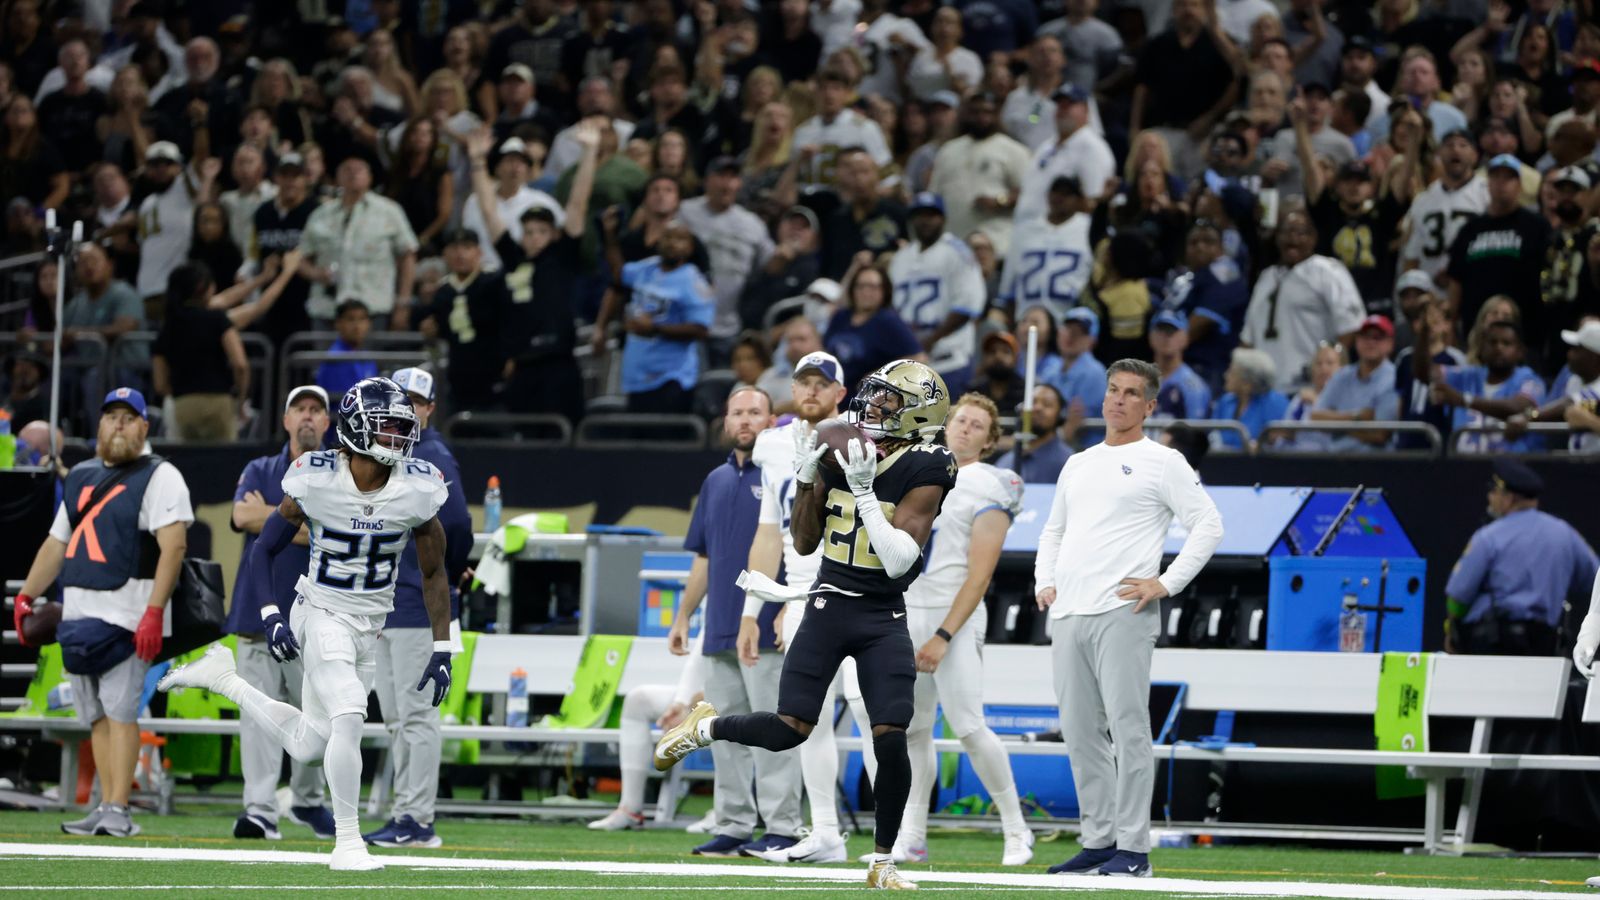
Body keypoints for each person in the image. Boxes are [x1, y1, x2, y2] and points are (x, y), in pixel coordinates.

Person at [655, 360, 960, 892]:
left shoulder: (929, 464)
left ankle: (884, 862)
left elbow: (898, 561)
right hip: (827, 604)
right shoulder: (840, 443)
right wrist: (805, 482)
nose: (873, 407)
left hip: (882, 612)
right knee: (787, 730)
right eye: (874, 395)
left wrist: (864, 494)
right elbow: (802, 542)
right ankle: (704, 728)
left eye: (889, 401)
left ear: (917, 414)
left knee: (892, 735)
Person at [157, 377, 454, 872]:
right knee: (352, 711)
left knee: (312, 746)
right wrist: (272, 614)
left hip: (369, 625)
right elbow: (263, 549)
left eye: (404, 428)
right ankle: (348, 842)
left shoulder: (417, 487)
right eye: (388, 428)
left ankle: (224, 679)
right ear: (358, 428)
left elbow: (433, 571)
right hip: (319, 610)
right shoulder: (316, 477)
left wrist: (443, 647)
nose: (399, 438)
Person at [1034, 360, 1223, 878]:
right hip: (1069, 611)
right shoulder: (1078, 462)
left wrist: (1165, 582)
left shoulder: (1163, 462)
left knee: (1129, 729)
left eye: (1131, 393)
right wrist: (1043, 580)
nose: (1118, 400)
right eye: (1113, 390)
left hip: (1124, 610)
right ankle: (1098, 841)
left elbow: (1208, 523)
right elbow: (1053, 531)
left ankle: (1134, 849)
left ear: (1150, 406)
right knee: (1079, 732)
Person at [15, 388, 193, 838]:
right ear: (99, 425)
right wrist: (26, 597)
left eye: (128, 417)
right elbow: (58, 543)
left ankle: (119, 807)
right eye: (110, 416)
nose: (118, 424)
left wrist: (154, 612)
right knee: (95, 716)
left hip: (129, 616)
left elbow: (174, 546)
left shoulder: (161, 475)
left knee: (121, 714)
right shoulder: (81, 475)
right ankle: (104, 804)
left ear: (144, 427)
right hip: (77, 615)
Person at [738, 351, 875, 865]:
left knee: (871, 715)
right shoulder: (772, 446)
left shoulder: (864, 439)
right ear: (793, 390)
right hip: (799, 597)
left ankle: (895, 837)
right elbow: (768, 531)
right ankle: (826, 834)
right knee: (807, 722)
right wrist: (753, 609)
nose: (812, 391)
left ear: (841, 392)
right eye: (804, 382)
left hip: (857, 590)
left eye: (823, 383)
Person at [662, 386, 802, 857]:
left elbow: (800, 550)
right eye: (737, 413)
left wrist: (786, 605)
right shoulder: (714, 481)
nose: (746, 420)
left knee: (774, 731)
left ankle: (783, 826)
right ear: (725, 422)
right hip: (719, 625)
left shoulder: (787, 476)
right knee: (722, 733)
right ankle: (735, 824)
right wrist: (684, 615)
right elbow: (704, 556)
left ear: (771, 420)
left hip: (764, 628)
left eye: (755, 412)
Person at [895, 393, 1033, 865]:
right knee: (913, 729)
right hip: (908, 605)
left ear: (990, 441)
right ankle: (912, 834)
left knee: (969, 724)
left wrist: (944, 635)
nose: (965, 429)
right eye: (960, 421)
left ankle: (1016, 830)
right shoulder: (915, 467)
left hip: (954, 610)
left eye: (977, 426)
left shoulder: (990, 484)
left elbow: (980, 574)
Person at [363, 369, 474, 850]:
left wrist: (444, 574)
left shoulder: (430, 455)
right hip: (390, 604)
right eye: (400, 400)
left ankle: (418, 818)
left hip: (416, 605)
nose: (407, 409)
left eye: (416, 401)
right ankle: (405, 812)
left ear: (429, 409)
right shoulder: (393, 454)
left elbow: (458, 526)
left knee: (416, 716)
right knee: (396, 718)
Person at [225, 385, 335, 841]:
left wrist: (270, 519)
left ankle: (307, 801)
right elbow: (238, 516)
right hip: (257, 613)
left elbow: (335, 532)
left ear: (327, 422)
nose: (308, 417)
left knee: (319, 717)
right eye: (300, 410)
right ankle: (260, 809)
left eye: (316, 410)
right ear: (286, 420)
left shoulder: (339, 471)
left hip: (321, 615)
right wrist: (300, 523)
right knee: (259, 718)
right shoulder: (261, 468)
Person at [466, 122, 599, 425]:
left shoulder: (562, 257)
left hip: (558, 363)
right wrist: (476, 162)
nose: (535, 237)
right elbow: (489, 211)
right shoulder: (513, 260)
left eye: (542, 231)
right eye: (528, 231)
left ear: (553, 234)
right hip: (521, 366)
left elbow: (578, 203)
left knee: (563, 436)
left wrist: (590, 151)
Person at [1445, 459, 1598, 656]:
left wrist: (1452, 633)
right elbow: (1596, 582)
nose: (1490, 497)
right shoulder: (1565, 534)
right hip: (1544, 646)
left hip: (1492, 644)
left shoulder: (1489, 537)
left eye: (1494, 491)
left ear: (1509, 498)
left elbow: (1458, 596)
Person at [152, 255, 301, 441]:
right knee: (222, 462)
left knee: (185, 462)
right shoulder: (217, 320)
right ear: (203, 288)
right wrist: (287, 272)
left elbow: (159, 383)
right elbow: (240, 364)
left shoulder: (169, 324)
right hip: (219, 402)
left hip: (181, 404)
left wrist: (263, 277)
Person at [593, 222, 715, 414]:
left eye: (680, 239)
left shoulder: (693, 281)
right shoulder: (648, 268)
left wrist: (655, 328)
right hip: (637, 377)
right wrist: (610, 237)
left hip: (670, 378)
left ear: (690, 247)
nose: (672, 243)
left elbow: (701, 329)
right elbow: (619, 273)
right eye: (667, 237)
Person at [1240, 209, 1366, 393]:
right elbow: (1248, 338)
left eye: (1301, 232)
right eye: (1286, 232)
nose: (1293, 238)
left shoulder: (1328, 271)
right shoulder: (1266, 278)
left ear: (1313, 238)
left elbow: (1350, 326)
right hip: (1266, 390)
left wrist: (1328, 372)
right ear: (1277, 238)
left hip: (1308, 387)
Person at [297, 156, 419, 330]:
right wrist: (315, 273)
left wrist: (403, 302)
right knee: (326, 357)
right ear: (338, 178)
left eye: (359, 170)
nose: (353, 174)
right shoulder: (321, 214)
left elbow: (408, 255)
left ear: (370, 177)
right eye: (347, 170)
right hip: (327, 308)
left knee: (370, 358)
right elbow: (299, 258)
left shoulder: (389, 211)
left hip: (373, 308)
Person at [1443, 154, 1552, 334]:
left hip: (1525, 330)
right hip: (1476, 331)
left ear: (1519, 185)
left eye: (1508, 177)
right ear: (1488, 183)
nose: (1501, 183)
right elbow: (1456, 280)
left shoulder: (1536, 226)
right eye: (1496, 176)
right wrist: (1451, 324)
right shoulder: (1470, 229)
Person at [889, 193, 984, 396]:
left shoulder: (958, 252)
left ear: (943, 219)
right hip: (910, 365)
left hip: (949, 361)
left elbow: (965, 309)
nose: (925, 221)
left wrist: (927, 342)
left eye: (931, 215)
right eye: (919, 215)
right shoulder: (901, 258)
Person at [679, 156, 775, 348]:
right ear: (706, 181)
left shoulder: (752, 224)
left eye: (732, 177)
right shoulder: (684, 212)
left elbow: (770, 266)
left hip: (729, 327)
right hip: (684, 324)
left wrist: (789, 253)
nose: (727, 184)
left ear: (738, 184)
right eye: (721, 176)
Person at [1416, 319, 1545, 453]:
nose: (1498, 348)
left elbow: (1519, 408)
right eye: (1492, 342)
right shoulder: (1468, 375)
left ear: (1520, 351)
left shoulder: (1529, 379)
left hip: (1512, 467)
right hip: (1464, 467)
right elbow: (1425, 373)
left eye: (1506, 343)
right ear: (1482, 347)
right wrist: (1425, 333)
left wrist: (1464, 400)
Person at [928, 92, 1030, 255]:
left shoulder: (1014, 151)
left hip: (999, 245)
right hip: (954, 244)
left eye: (987, 112)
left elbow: (1030, 195)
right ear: (965, 114)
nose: (981, 117)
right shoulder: (948, 151)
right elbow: (934, 197)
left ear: (996, 115)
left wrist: (1000, 201)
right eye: (975, 112)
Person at [420, 229, 508, 412]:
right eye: (454, 248)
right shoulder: (442, 292)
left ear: (479, 252)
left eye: (467, 248)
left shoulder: (493, 284)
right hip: (458, 377)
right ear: (445, 254)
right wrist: (429, 332)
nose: (460, 254)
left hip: (494, 375)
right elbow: (435, 333)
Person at [1162, 220, 1250, 395]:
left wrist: (1165, 347)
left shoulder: (1226, 275)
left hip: (1209, 368)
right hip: (1181, 364)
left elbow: (1201, 322)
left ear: (1221, 248)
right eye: (1193, 243)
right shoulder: (1187, 279)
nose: (1200, 247)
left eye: (1208, 241)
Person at [1013, 87, 1115, 227]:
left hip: (1060, 234)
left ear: (1086, 110)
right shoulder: (1046, 146)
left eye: (1070, 105)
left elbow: (1094, 200)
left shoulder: (1092, 148)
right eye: (1060, 105)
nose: (1063, 109)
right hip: (1028, 229)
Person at [462, 135, 563, 272]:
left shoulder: (543, 202)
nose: (516, 167)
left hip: (525, 274)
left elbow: (561, 237)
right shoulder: (474, 202)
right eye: (509, 161)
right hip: (482, 274)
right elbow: (468, 240)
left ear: (528, 170)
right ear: (497, 168)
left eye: (522, 163)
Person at [999, 176, 1092, 322]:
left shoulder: (1089, 228)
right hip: (1027, 316)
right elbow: (1009, 283)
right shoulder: (1025, 230)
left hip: (1072, 321)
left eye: (1067, 194)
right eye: (1056, 192)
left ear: (1079, 200)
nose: (1060, 198)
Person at [825, 255, 923, 391]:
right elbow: (825, 349)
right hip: (834, 392)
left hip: (867, 401)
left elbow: (918, 358)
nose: (866, 292)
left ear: (884, 291)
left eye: (872, 287)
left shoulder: (888, 321)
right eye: (860, 286)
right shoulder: (841, 317)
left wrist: (881, 375)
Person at [1400, 130, 1488, 280]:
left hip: (1473, 285)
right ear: (1439, 155)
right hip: (1429, 291)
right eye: (1449, 145)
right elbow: (1411, 255)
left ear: (1475, 156)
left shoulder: (1487, 194)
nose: (1455, 149)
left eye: (1463, 145)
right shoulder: (1423, 199)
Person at [1308, 315, 1401, 452]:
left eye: (1377, 337)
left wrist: (1336, 423)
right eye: (1365, 337)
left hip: (1376, 463)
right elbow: (1316, 417)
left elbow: (1379, 434)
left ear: (1390, 343)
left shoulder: (1394, 378)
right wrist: (1358, 417)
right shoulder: (1342, 375)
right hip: (1336, 461)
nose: (1370, 342)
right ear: (1357, 341)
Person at [1212, 347, 1290, 451]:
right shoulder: (1225, 402)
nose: (1225, 375)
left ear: (1247, 384)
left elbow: (1280, 442)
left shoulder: (1276, 404)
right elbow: (1213, 435)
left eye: (1231, 372)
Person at [1047, 308, 1109, 428]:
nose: (1071, 335)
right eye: (1068, 328)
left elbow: (1076, 425)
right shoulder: (1051, 370)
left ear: (1092, 341)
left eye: (1081, 331)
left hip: (1085, 445)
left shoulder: (1095, 373)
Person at [1149, 312, 1213, 421]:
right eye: (1161, 331)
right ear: (1151, 337)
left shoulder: (1193, 386)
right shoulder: (1138, 379)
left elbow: (1193, 432)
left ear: (1185, 338)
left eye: (1172, 332)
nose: (1166, 337)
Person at [1004, 384, 1074, 483]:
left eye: (1047, 404)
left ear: (1060, 415)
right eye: (1032, 402)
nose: (1038, 408)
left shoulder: (1069, 463)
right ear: (1021, 410)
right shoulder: (1006, 462)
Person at [315, 300, 381, 400]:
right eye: (350, 319)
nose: (357, 326)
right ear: (338, 323)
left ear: (369, 324)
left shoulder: (366, 355)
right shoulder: (335, 359)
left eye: (362, 319)